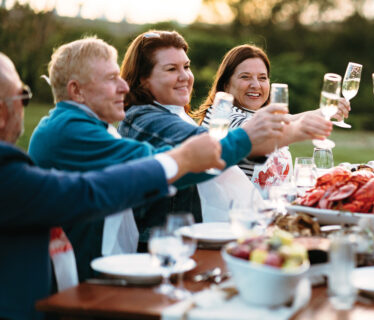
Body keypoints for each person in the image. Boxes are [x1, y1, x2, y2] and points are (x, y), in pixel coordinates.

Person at [0, 52, 223, 320]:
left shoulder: (80, 124)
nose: (124, 86)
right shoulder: (63, 131)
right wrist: (179, 160)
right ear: (2, 112)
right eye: (23, 96)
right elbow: (89, 191)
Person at [26, 37, 257, 281]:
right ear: (76, 91)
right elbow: (149, 169)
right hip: (77, 285)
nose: (124, 87)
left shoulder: (82, 124)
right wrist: (250, 137)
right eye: (110, 79)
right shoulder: (70, 130)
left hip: (98, 271)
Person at [118, 32, 331, 220]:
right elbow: (209, 148)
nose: (185, 77)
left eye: (186, 66)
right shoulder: (145, 119)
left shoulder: (172, 111)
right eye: (172, 69)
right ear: (143, 79)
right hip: (164, 240)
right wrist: (295, 132)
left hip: (206, 229)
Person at [192, 44, 342, 184]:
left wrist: (322, 112)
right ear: (226, 84)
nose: (256, 85)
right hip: (234, 211)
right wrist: (301, 128)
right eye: (245, 77)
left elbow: (284, 120)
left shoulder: (250, 113)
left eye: (262, 78)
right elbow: (254, 134)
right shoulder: (222, 115)